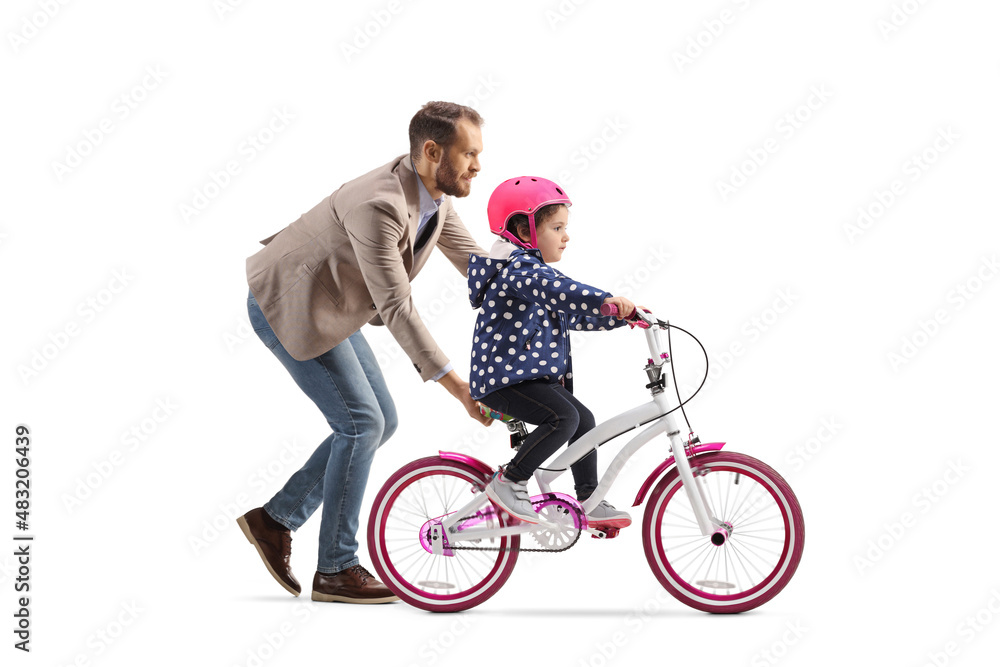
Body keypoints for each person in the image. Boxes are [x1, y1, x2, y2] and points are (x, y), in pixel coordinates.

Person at [238, 101, 492, 604]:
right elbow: (397, 306)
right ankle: (335, 567)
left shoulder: (434, 196)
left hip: (334, 305)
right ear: (432, 150)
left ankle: (274, 519)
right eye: (470, 154)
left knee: (381, 421)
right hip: (289, 304)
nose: (478, 166)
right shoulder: (380, 204)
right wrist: (458, 387)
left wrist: (554, 298)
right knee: (361, 424)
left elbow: (480, 266)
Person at [468, 176, 635, 527]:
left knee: (583, 421)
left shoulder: (534, 278)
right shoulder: (520, 271)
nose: (565, 236)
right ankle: (510, 482)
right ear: (523, 230)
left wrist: (621, 318)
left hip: (526, 378)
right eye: (557, 227)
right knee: (563, 419)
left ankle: (588, 498)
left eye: (565, 227)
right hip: (504, 380)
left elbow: (571, 313)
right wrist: (604, 299)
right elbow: (564, 291)